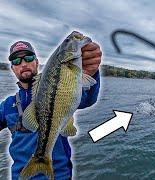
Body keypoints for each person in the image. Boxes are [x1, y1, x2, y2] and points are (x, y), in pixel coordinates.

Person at [0, 38, 102, 179]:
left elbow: (88, 99)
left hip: (59, 176)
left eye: (28, 58)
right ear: (12, 68)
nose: (23, 63)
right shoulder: (7, 106)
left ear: (36, 62)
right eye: (16, 61)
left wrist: (91, 73)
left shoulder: (64, 85)